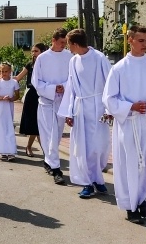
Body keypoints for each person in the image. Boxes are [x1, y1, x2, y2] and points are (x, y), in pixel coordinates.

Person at [102, 27, 146, 223]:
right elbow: (109, 98)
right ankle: (130, 205)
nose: (145, 44)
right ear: (130, 40)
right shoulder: (119, 68)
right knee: (129, 163)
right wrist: (131, 106)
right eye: (140, 40)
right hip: (128, 123)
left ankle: (145, 200)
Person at [58, 29, 112, 199]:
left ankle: (97, 178)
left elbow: (110, 83)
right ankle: (87, 182)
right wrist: (69, 111)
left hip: (98, 107)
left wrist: (109, 109)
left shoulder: (99, 58)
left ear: (74, 43)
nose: (68, 47)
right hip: (80, 108)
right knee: (82, 147)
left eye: (69, 44)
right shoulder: (73, 61)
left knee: (99, 146)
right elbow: (72, 87)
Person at [32, 28, 72, 185]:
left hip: (62, 100)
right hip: (47, 100)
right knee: (49, 133)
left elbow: (73, 77)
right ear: (53, 41)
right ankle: (56, 168)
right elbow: (36, 81)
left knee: (58, 133)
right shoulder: (42, 58)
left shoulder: (69, 56)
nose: (64, 45)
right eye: (61, 42)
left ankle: (49, 161)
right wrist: (53, 88)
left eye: (65, 43)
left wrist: (63, 86)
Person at [16, 43, 47, 157]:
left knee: (42, 124)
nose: (33, 53)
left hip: (44, 95)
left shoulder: (47, 65)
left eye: (36, 51)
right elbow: (18, 77)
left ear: (43, 51)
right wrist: (2, 79)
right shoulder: (30, 65)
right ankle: (30, 147)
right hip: (32, 95)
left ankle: (45, 151)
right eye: (33, 51)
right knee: (34, 124)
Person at [0, 62, 21, 161]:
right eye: (2, 71)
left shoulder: (14, 82)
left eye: (6, 71)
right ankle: (2, 150)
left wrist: (11, 99)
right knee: (1, 127)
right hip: (1, 106)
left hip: (9, 106)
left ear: (10, 71)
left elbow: (17, 95)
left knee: (9, 127)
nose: (4, 73)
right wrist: (1, 98)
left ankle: (11, 151)